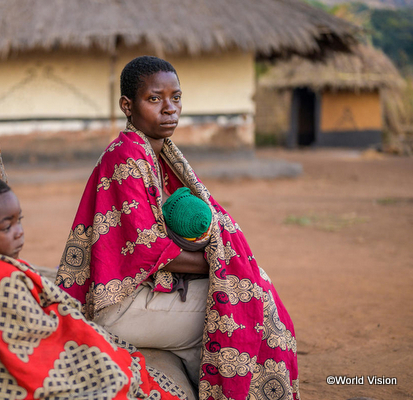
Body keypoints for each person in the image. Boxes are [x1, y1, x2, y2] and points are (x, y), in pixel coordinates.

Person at [56, 56, 300, 400]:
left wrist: (234, 266)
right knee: (250, 305)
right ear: (128, 105)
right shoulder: (125, 157)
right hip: (121, 305)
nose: (169, 108)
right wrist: (227, 265)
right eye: (155, 99)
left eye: (176, 97)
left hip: (149, 292)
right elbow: (149, 250)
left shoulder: (158, 154)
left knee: (249, 290)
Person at [0, 172, 188, 400]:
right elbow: (34, 341)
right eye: (6, 227)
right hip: (20, 379)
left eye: (19, 221)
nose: (19, 233)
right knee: (111, 373)